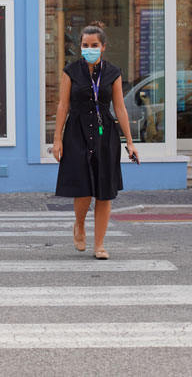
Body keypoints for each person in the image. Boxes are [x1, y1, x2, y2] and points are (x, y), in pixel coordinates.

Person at [52, 21, 138, 260]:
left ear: (103, 47)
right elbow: (63, 106)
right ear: (80, 46)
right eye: (85, 45)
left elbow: (120, 108)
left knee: (104, 192)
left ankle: (99, 244)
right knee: (83, 189)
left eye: (94, 45)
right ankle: (79, 224)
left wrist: (129, 142)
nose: (89, 48)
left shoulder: (113, 73)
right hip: (76, 133)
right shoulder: (71, 71)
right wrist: (57, 139)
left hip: (105, 134)